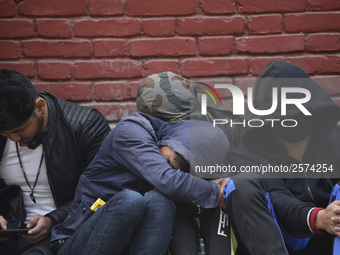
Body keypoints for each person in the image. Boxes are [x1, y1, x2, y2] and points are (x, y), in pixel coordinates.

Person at [51, 111, 230, 254]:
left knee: (159, 199)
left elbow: (227, 178)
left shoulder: (176, 152)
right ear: (170, 140)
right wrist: (217, 191)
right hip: (80, 238)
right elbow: (167, 180)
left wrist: (229, 182)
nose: (177, 174)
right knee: (130, 200)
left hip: (132, 244)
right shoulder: (131, 131)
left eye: (183, 173)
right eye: (169, 162)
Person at [228, 60, 340, 254]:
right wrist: (318, 218)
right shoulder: (246, 156)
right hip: (280, 243)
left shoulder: (335, 141)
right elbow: (278, 198)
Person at [0, 69, 111, 254]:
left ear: (40, 107)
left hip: (63, 233)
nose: (13, 139)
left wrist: (53, 219)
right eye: (5, 134)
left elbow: (103, 190)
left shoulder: (84, 125)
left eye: (19, 129)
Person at [136, 71, 236, 254]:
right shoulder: (143, 137)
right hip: (176, 205)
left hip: (217, 207)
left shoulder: (219, 126)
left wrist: (230, 179)